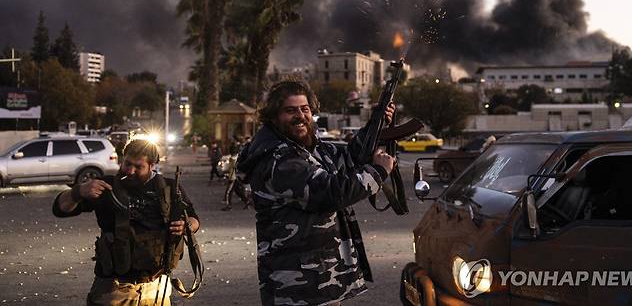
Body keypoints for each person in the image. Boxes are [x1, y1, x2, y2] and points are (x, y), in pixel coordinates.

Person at [236, 80, 395, 306]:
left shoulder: (305, 148)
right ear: (273, 117)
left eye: (305, 109)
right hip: (297, 288)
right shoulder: (279, 160)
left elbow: (349, 157)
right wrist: (378, 172)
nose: (300, 116)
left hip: (320, 279)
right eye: (290, 110)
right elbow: (331, 192)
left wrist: (376, 123)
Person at [52, 139, 200, 306]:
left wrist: (186, 225)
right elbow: (60, 209)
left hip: (157, 288)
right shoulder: (106, 186)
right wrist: (78, 192)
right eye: (127, 163)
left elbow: (194, 220)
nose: (130, 170)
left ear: (152, 165)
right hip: (114, 289)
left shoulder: (169, 188)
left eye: (138, 166)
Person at [221, 138, 251, 211]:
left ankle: (229, 205)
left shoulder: (233, 159)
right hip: (235, 176)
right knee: (238, 191)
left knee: (229, 192)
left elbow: (229, 168)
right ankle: (247, 201)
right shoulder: (237, 157)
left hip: (233, 177)